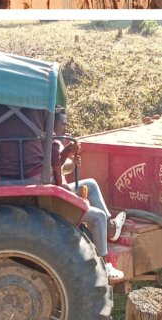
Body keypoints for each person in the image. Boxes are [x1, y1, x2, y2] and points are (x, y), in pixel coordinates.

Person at [52, 108, 126, 282]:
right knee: (97, 216)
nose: (66, 126)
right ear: (53, 125)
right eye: (62, 123)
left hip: (57, 188)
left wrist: (68, 157)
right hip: (57, 192)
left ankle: (110, 227)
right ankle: (105, 264)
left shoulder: (53, 143)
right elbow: (56, 177)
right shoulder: (53, 144)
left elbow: (61, 166)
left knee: (91, 183)